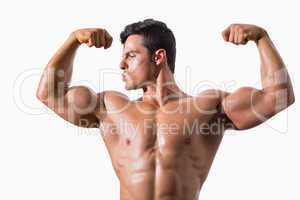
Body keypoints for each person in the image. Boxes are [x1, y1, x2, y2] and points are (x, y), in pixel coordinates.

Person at [36, 19, 295, 200]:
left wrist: (261, 38)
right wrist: (73, 40)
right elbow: (48, 94)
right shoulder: (110, 107)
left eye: (130, 56)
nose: (121, 64)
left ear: (158, 57)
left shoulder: (206, 107)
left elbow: (279, 97)